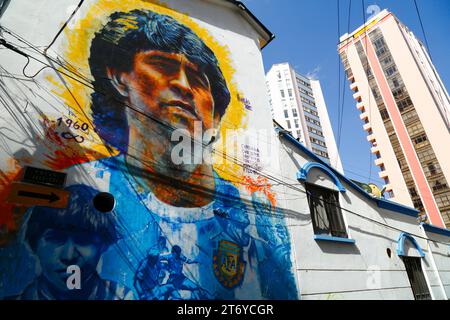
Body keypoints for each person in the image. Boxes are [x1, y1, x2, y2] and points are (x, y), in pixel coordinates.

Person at [65, 9, 297, 300]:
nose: (184, 86)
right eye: (162, 65)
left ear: (214, 113)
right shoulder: (80, 189)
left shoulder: (258, 215)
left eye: (199, 81)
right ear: (118, 77)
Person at [6, 184, 133, 300]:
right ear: (34, 243)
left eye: (84, 240)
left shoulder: (123, 296)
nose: (68, 256)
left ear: (104, 245)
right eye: (55, 239)